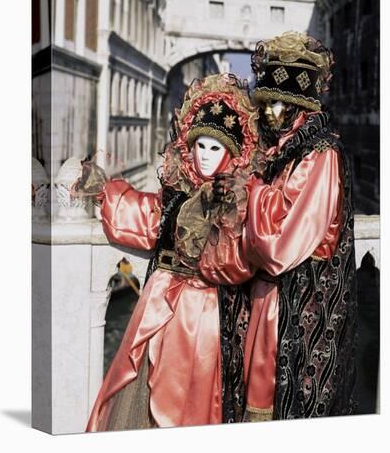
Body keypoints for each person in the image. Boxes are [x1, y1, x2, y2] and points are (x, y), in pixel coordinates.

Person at [78, 73, 259, 431]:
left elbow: (235, 263)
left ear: (232, 154)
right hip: (157, 300)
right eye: (200, 146)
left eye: (215, 148)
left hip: (202, 314)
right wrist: (106, 192)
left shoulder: (235, 203)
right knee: (138, 391)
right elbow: (149, 217)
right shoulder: (178, 190)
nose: (205, 157)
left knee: (186, 399)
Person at [238, 31, 358, 421]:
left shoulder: (320, 157)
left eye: (278, 103)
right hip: (266, 305)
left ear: (296, 107)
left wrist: (251, 189)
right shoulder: (280, 153)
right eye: (266, 102)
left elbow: (278, 250)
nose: (268, 112)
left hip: (294, 313)